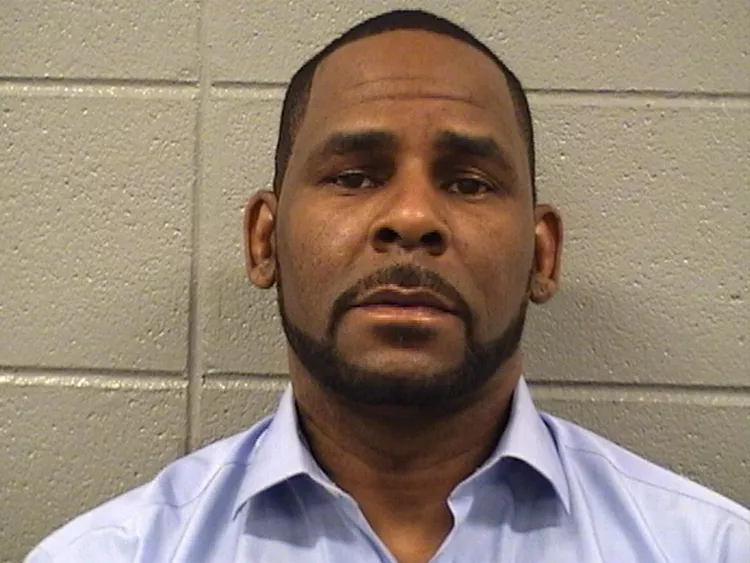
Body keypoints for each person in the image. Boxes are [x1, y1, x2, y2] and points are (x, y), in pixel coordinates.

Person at [26, 9, 749, 563]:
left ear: (542, 254)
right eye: (353, 176)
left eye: (469, 183)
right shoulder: (112, 554)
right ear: (263, 241)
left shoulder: (706, 547)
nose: (411, 218)